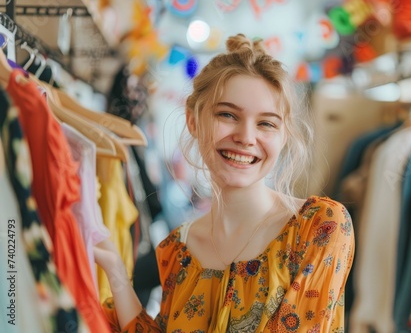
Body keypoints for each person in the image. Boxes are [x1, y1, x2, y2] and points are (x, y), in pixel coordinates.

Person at [95, 33, 355, 333]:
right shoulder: (177, 251)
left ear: (284, 136)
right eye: (228, 115)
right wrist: (115, 272)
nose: (246, 137)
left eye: (266, 123)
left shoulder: (319, 228)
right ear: (193, 121)